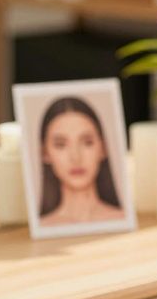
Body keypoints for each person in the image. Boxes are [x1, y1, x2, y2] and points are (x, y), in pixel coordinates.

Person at [38, 96, 124, 226]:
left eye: (87, 143)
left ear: (103, 148)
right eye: (61, 145)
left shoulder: (122, 219)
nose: (76, 157)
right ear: (45, 154)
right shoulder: (43, 226)